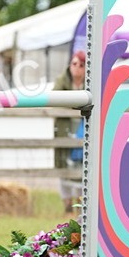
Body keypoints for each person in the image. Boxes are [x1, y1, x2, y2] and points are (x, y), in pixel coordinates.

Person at [53, 50, 88, 213]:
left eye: (81, 65)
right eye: (74, 64)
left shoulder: (90, 82)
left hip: (83, 129)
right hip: (64, 128)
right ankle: (67, 203)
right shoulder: (62, 80)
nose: (77, 68)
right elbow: (54, 99)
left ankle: (80, 203)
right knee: (63, 163)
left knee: (82, 165)